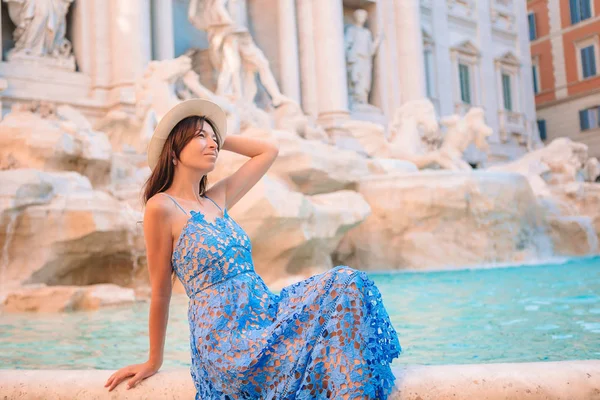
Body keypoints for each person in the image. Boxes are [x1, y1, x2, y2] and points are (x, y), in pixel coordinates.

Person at [104, 99, 401, 399]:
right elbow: (160, 291)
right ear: (174, 151)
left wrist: (218, 134)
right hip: (225, 339)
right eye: (200, 137)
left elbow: (267, 151)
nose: (213, 145)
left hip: (266, 314)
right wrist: (154, 359)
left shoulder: (216, 199)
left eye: (213, 138)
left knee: (348, 283)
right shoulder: (161, 207)